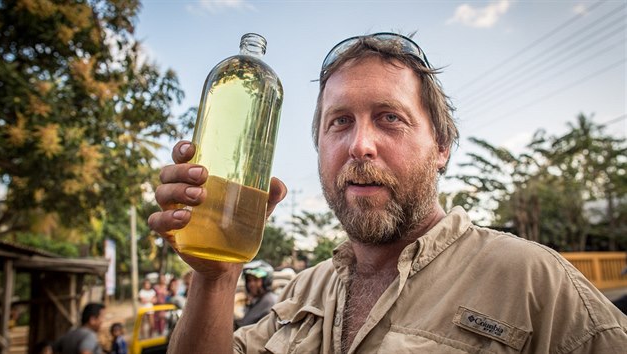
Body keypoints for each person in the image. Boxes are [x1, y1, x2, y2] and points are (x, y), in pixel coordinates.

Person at [148, 33, 627, 353]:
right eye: (339, 123)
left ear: (441, 146)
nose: (359, 145)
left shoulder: (534, 282)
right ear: (319, 147)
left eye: (389, 118)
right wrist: (216, 277)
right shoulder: (300, 296)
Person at [234, 260, 278, 329]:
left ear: (266, 281)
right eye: (249, 280)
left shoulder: (268, 301)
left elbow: (247, 325)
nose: (251, 284)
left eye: (255, 280)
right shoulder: (257, 300)